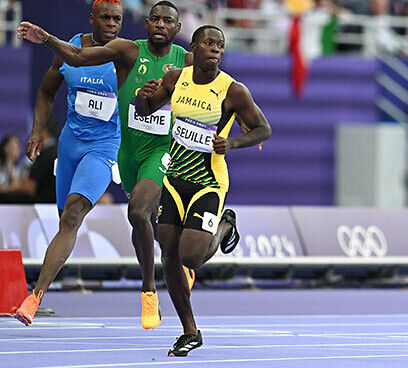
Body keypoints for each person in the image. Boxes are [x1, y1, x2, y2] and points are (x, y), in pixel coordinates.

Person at [17, 1, 241, 329]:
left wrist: (236, 130)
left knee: (127, 212)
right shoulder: (121, 51)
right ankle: (219, 230)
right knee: (155, 235)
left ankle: (146, 292)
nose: (161, 25)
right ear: (146, 23)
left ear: (177, 29)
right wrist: (47, 38)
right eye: (156, 19)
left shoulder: (174, 61)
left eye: (168, 21)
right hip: (118, 150)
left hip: (147, 150)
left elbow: (221, 89)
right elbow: (72, 64)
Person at [135, 25, 271, 356]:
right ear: (194, 48)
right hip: (174, 179)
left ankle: (226, 224)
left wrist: (233, 142)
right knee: (167, 252)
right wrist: (143, 95)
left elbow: (264, 129)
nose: (216, 49)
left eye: (221, 45)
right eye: (209, 43)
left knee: (190, 257)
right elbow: (145, 110)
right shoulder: (175, 79)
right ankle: (190, 331)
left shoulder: (233, 90)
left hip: (208, 183)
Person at [11, 0, 124, 326]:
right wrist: (36, 132)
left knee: (74, 212)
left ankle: (35, 296)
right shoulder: (70, 48)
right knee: (66, 221)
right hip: (70, 144)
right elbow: (47, 91)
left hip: (104, 147)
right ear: (92, 18)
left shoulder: (123, 55)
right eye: (105, 18)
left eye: (117, 19)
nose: (112, 24)